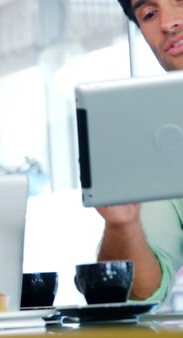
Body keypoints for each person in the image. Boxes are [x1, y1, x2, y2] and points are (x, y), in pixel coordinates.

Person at [96, 0, 183, 304]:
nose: (167, 23)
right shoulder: (163, 144)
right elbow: (142, 291)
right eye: (149, 14)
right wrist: (123, 223)